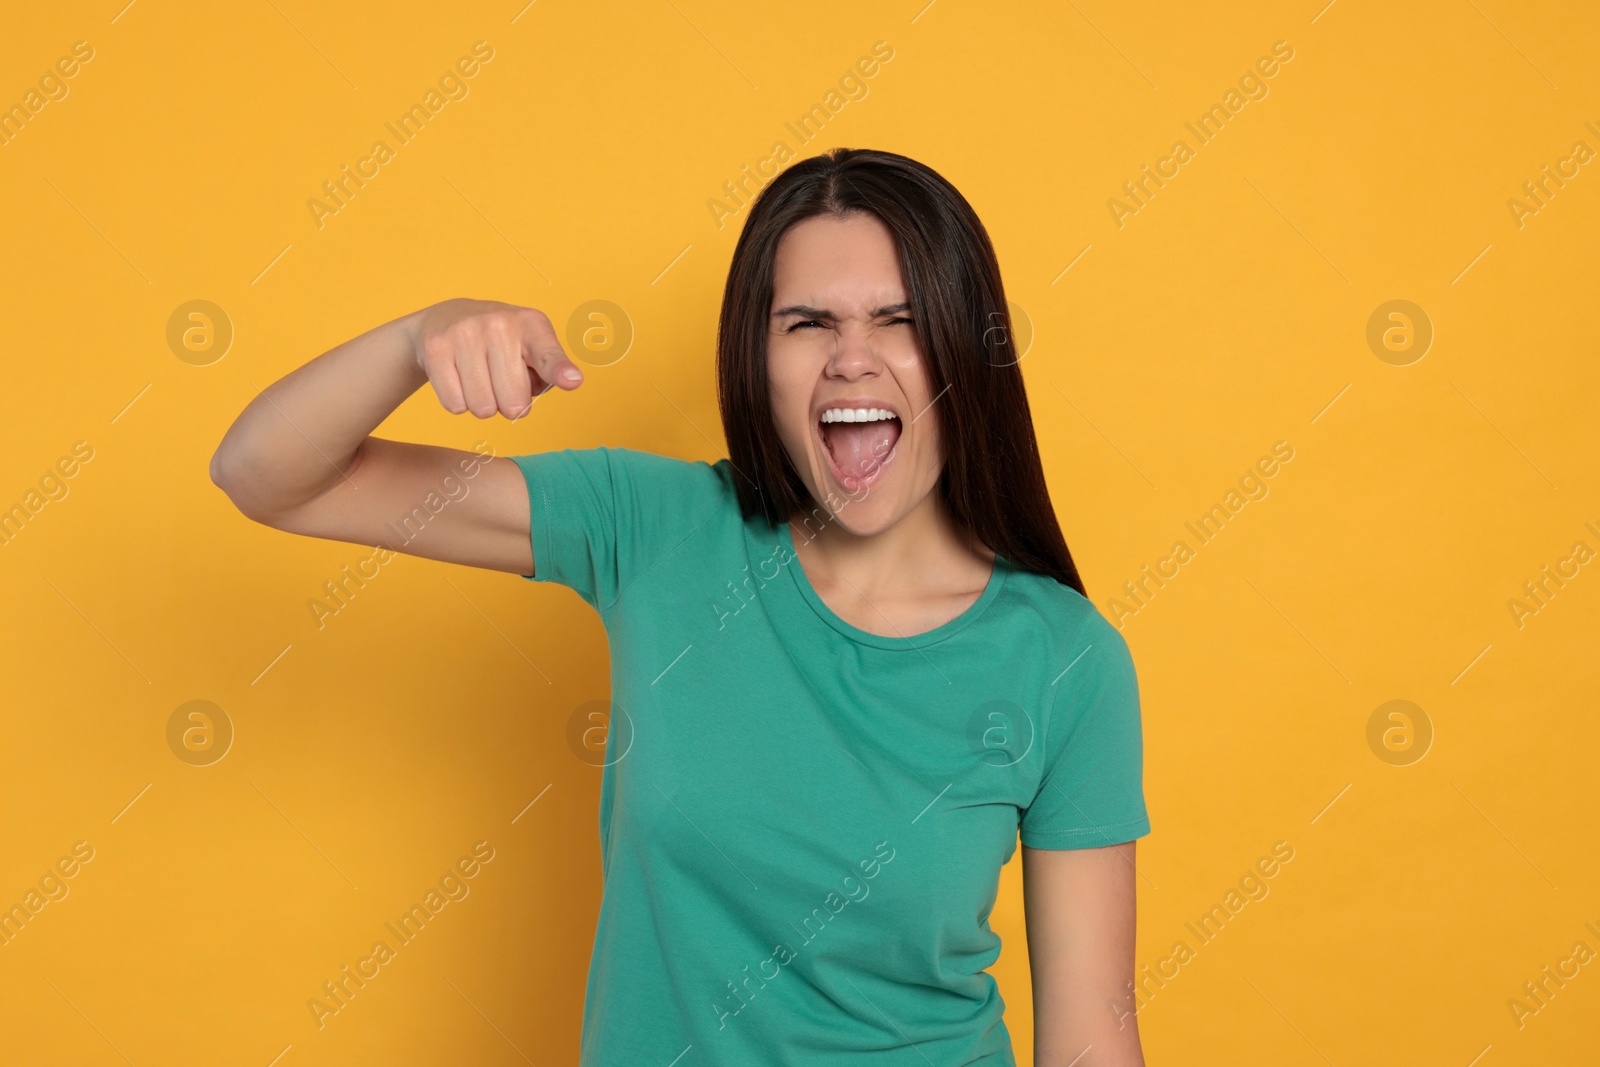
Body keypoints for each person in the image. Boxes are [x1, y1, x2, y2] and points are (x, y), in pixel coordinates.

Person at [210, 146, 1151, 1066]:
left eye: (898, 320)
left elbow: (1088, 1040)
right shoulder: (656, 530)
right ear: (758, 358)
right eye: (808, 323)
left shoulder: (1065, 659)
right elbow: (271, 477)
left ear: (962, 351)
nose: (851, 361)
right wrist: (422, 334)